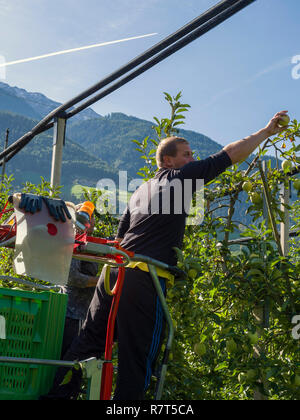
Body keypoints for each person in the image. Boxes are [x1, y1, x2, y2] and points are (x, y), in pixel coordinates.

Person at [42, 110, 289, 400]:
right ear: (168, 161)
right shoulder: (180, 178)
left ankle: (55, 397)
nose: (193, 160)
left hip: (113, 275)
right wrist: (265, 132)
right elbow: (228, 155)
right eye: (187, 154)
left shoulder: (140, 192)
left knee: (87, 346)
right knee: (138, 361)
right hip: (143, 279)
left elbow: (120, 240)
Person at [59, 210, 99, 358]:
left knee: (75, 361)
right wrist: (101, 281)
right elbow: (73, 277)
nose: (92, 221)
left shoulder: (87, 241)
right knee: (69, 360)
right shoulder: (73, 240)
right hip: (71, 314)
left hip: (81, 313)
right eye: (89, 217)